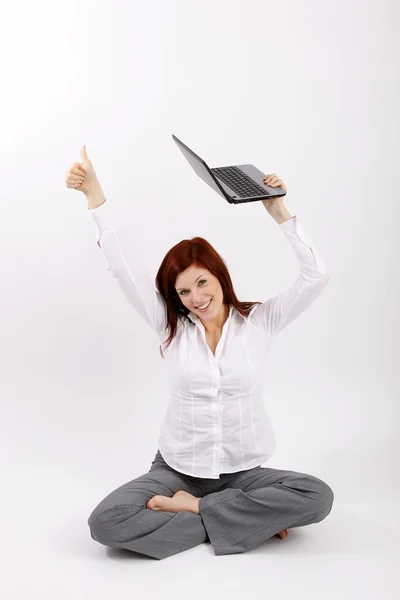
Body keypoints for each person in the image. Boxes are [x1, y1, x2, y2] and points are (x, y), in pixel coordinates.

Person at [65, 146, 334, 560]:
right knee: (106, 522)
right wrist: (94, 194)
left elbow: (317, 276)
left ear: (220, 277)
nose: (196, 298)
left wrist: (278, 210)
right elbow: (121, 268)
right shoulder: (169, 328)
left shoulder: (260, 322)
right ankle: (245, 523)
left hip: (244, 473)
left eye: (203, 283)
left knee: (317, 496)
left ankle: (197, 513)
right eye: (184, 291)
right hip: (176, 471)